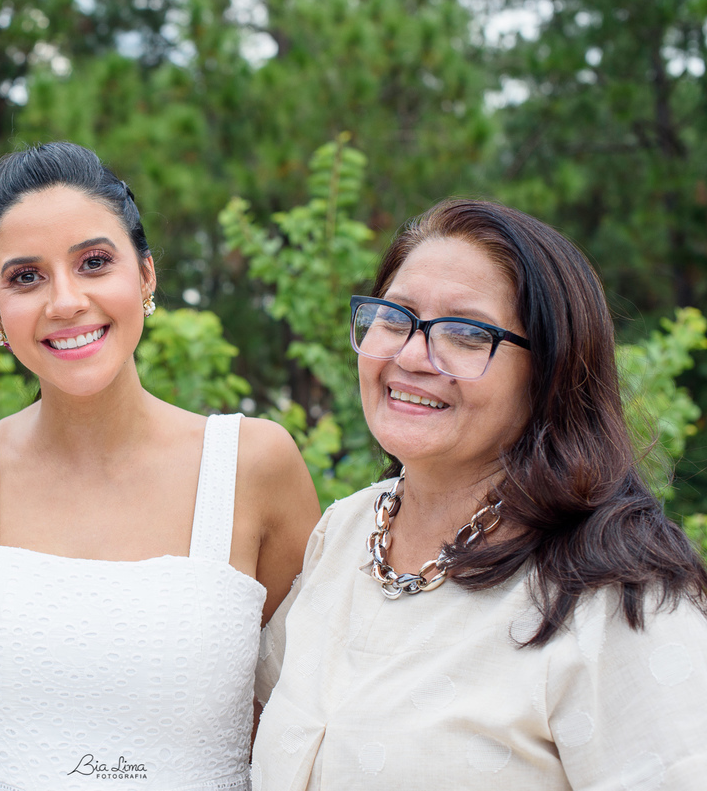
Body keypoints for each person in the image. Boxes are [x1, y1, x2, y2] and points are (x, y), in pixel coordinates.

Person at [251, 199, 707, 790]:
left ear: (550, 370)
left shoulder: (618, 595)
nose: (410, 356)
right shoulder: (343, 532)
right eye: (394, 317)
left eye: (467, 334)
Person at [0, 141, 320, 790]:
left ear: (147, 275)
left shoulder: (253, 465)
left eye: (95, 263)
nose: (65, 301)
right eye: (26, 277)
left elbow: (306, 711)